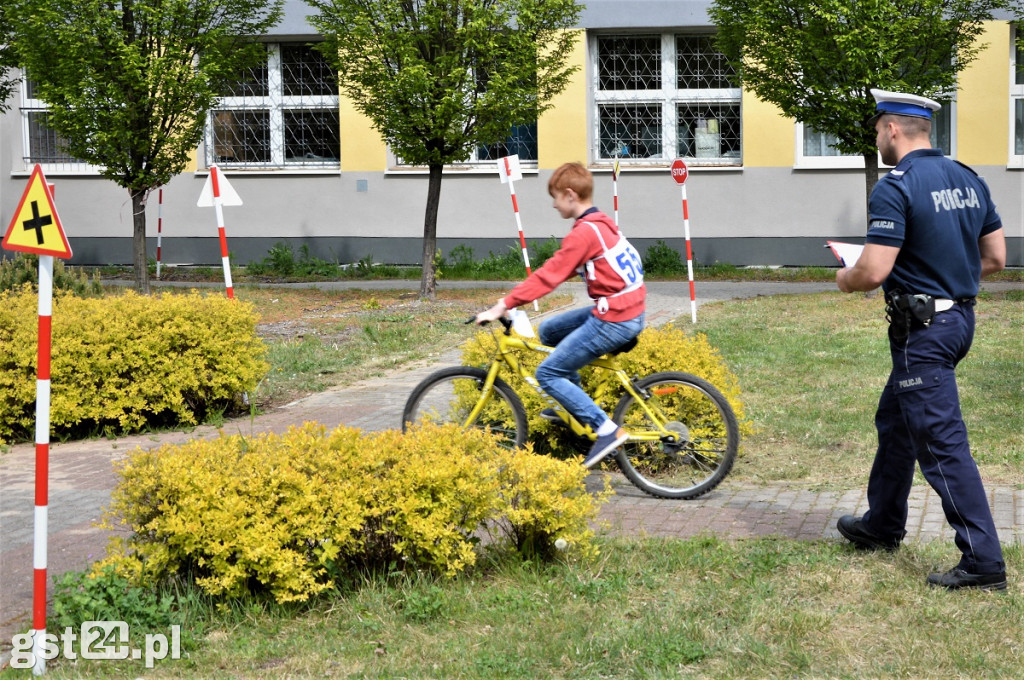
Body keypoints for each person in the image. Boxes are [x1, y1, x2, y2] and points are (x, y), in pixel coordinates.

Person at [834, 89, 1007, 591]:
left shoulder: (897, 186)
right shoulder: (967, 178)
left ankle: (983, 561)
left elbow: (874, 271)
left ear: (891, 129)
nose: (876, 138)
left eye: (876, 130)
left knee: (941, 443)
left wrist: (847, 277)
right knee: (896, 419)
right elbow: (994, 257)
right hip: (959, 324)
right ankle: (882, 525)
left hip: (924, 333)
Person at [475, 162, 646, 468]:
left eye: (555, 197)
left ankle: (606, 430)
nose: (553, 204)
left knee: (547, 374)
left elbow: (549, 275)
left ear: (570, 195)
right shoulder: (601, 222)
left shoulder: (584, 233)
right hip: (626, 309)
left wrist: (504, 304)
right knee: (551, 330)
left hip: (614, 318)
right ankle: (572, 404)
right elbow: (580, 267)